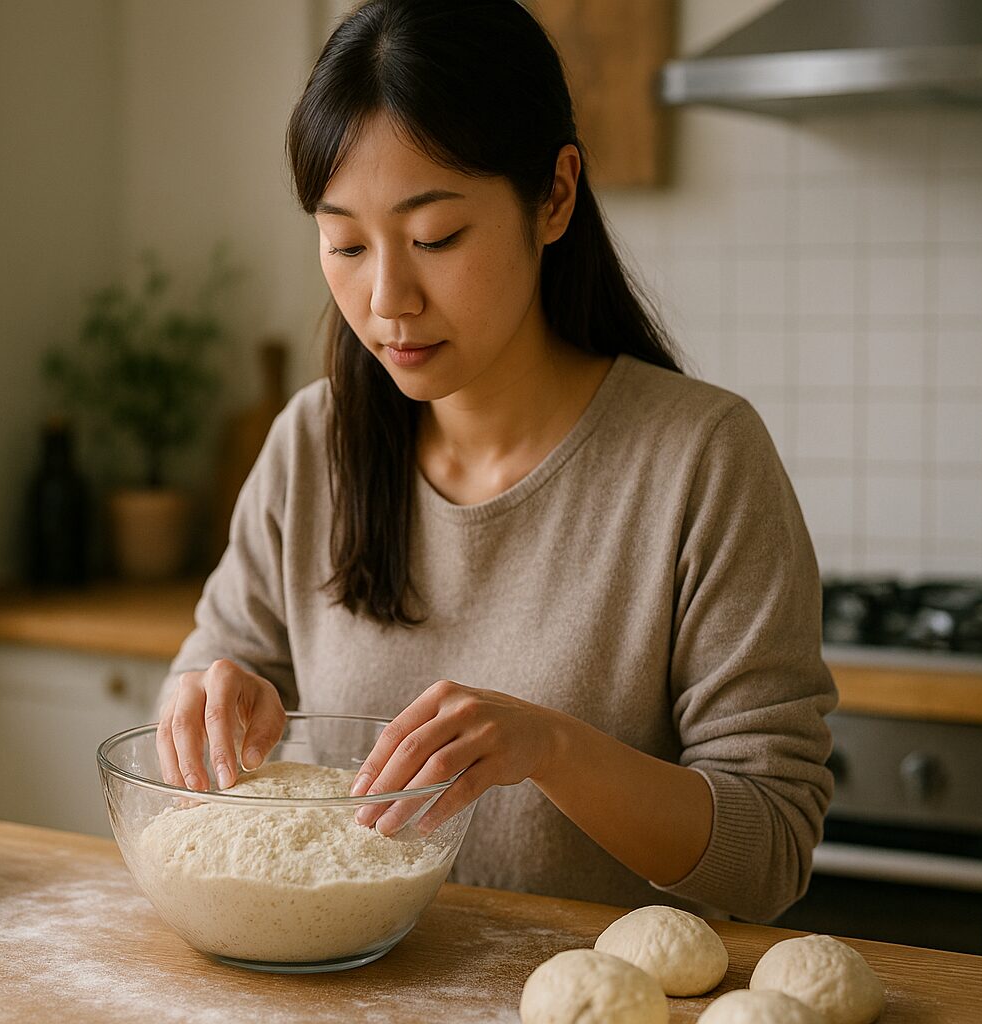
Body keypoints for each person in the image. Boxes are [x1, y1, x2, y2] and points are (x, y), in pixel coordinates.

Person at [154, 0, 835, 923]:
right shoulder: (314, 444)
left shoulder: (701, 460)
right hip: (351, 981)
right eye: (345, 243)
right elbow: (208, 676)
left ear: (554, 196)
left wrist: (551, 748)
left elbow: (770, 852)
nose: (387, 299)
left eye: (435, 238)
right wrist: (208, 697)